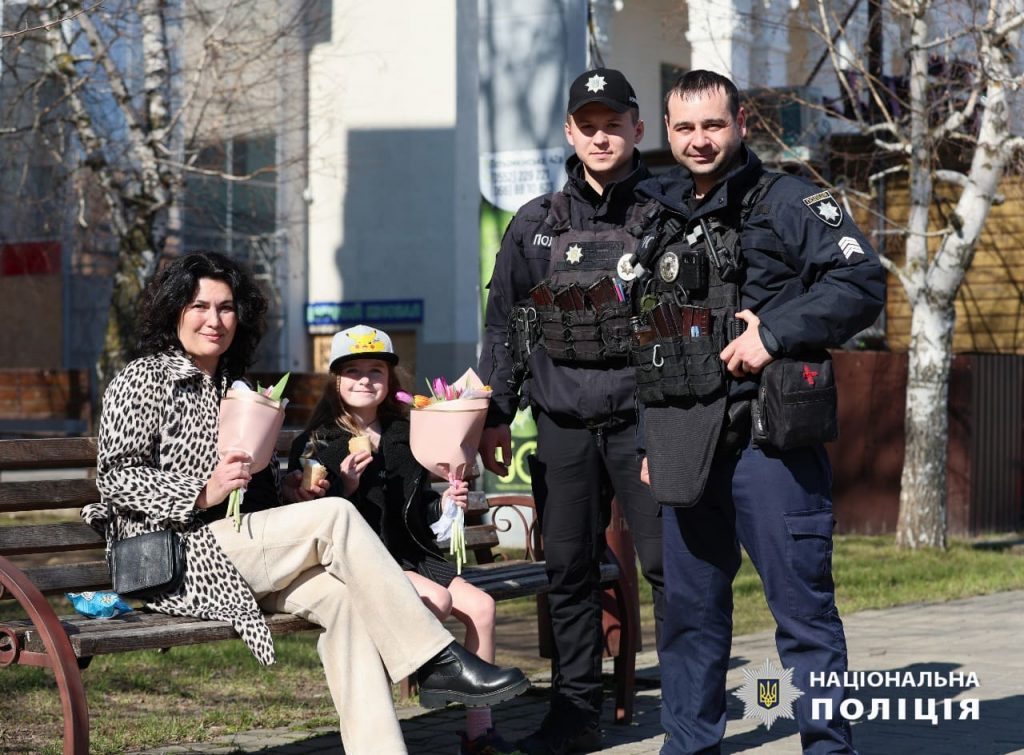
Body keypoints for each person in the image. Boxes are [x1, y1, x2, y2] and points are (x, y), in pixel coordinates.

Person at [83, 252, 528, 755]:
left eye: (226, 308)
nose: (214, 320)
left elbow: (251, 490)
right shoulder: (143, 378)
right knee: (336, 514)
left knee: (348, 604)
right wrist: (203, 491)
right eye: (199, 306)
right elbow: (115, 477)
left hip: (240, 555)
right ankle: (434, 660)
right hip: (178, 558)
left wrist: (290, 490)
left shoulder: (232, 386)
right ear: (174, 311)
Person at [631, 70, 886, 754]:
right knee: (689, 619)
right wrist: (649, 441)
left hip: (768, 447)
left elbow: (862, 281)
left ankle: (827, 747)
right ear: (667, 131)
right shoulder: (658, 217)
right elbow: (647, 338)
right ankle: (689, 746)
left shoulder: (790, 200)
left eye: (713, 125)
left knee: (803, 617)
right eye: (685, 127)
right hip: (685, 446)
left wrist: (772, 334)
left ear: (741, 123)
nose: (700, 140)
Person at [479, 68, 665, 755]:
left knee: (670, 566)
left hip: (647, 423)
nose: (601, 137)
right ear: (569, 132)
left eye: (613, 124)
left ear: (636, 129)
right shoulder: (535, 223)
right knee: (568, 572)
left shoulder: (667, 217)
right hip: (562, 425)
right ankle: (575, 713)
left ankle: (691, 708)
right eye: (588, 126)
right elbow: (505, 323)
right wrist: (496, 413)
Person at [288, 324, 526, 755]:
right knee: (438, 600)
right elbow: (314, 518)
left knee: (482, 607)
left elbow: (418, 508)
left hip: (413, 553)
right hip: (365, 561)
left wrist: (447, 503)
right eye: (353, 371)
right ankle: (408, 694)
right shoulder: (318, 442)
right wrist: (345, 485)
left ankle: (479, 734)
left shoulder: (408, 431)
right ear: (336, 380)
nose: (364, 380)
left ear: (390, 378)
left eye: (375, 371)